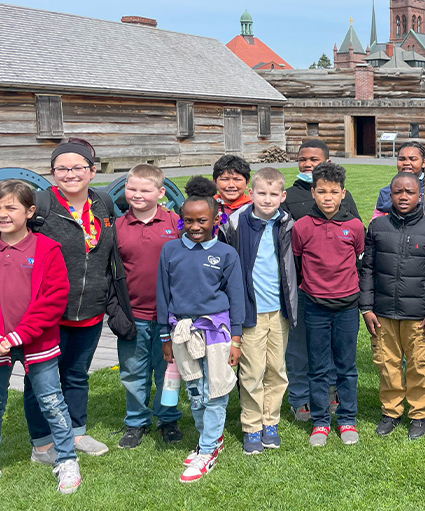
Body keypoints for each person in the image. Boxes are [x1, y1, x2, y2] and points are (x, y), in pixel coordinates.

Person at [0, 180, 81, 496]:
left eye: (11, 207)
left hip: (36, 342)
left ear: (29, 211)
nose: (2, 213)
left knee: (52, 401)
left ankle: (66, 459)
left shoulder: (47, 249)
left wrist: (18, 335)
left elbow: (54, 298)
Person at [27, 138, 135, 460]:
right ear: (52, 172)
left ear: (92, 170)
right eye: (62, 168)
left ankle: (75, 434)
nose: (70, 173)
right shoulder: (41, 206)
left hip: (90, 310)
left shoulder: (103, 203)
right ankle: (43, 443)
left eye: (78, 167)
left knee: (76, 374)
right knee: (40, 379)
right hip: (47, 313)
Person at [157, 176, 245, 483]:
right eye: (189, 221)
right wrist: (165, 336)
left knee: (215, 391)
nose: (195, 226)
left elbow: (236, 298)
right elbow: (163, 295)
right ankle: (209, 438)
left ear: (215, 220)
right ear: (182, 220)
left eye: (202, 221)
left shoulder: (226, 254)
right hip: (182, 332)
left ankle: (207, 449)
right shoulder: (170, 251)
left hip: (217, 333)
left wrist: (236, 339)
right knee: (195, 391)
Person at [220, 168, 298, 455]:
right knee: (252, 372)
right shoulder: (236, 223)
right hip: (250, 310)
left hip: (279, 310)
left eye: (273, 194)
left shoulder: (287, 224)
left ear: (283, 196)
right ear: (250, 193)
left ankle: (270, 422)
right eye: (261, 193)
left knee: (277, 369)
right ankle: (251, 426)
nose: (267, 199)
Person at [361, 172, 425, 440]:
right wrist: (367, 307)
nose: (403, 197)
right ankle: (391, 411)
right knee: (387, 363)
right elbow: (368, 269)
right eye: (398, 192)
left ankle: (419, 414)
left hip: (418, 315)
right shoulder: (378, 227)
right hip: (383, 312)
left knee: (419, 365)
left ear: (419, 195)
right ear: (390, 195)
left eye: (409, 192)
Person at [282, 139, 358, 421]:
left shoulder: (342, 195)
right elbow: (292, 248)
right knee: (302, 347)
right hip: (306, 287)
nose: (308, 163)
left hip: (340, 290)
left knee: (336, 348)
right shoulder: (288, 196)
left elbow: (354, 240)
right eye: (303, 159)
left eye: (315, 159)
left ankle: (332, 391)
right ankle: (301, 397)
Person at [292, 162, 366, 447]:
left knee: (346, 367)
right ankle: (320, 421)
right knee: (318, 367)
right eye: (321, 191)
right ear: (313, 192)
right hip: (315, 306)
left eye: (334, 192)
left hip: (347, 306)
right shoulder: (302, 227)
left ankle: (347, 418)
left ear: (343, 193)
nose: (327, 197)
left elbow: (359, 257)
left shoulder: (354, 226)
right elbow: (299, 259)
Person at [114, 164, 184, 449]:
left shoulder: (176, 222)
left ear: (161, 192)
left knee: (167, 369)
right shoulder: (117, 228)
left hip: (170, 315)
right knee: (133, 370)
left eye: (145, 190)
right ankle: (136, 421)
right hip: (134, 314)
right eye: (132, 189)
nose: (138, 195)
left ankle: (167, 418)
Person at [373, 141, 425, 220]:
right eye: (402, 159)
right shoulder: (386, 191)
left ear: (424, 162)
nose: (406, 163)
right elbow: (376, 221)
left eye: (413, 159)